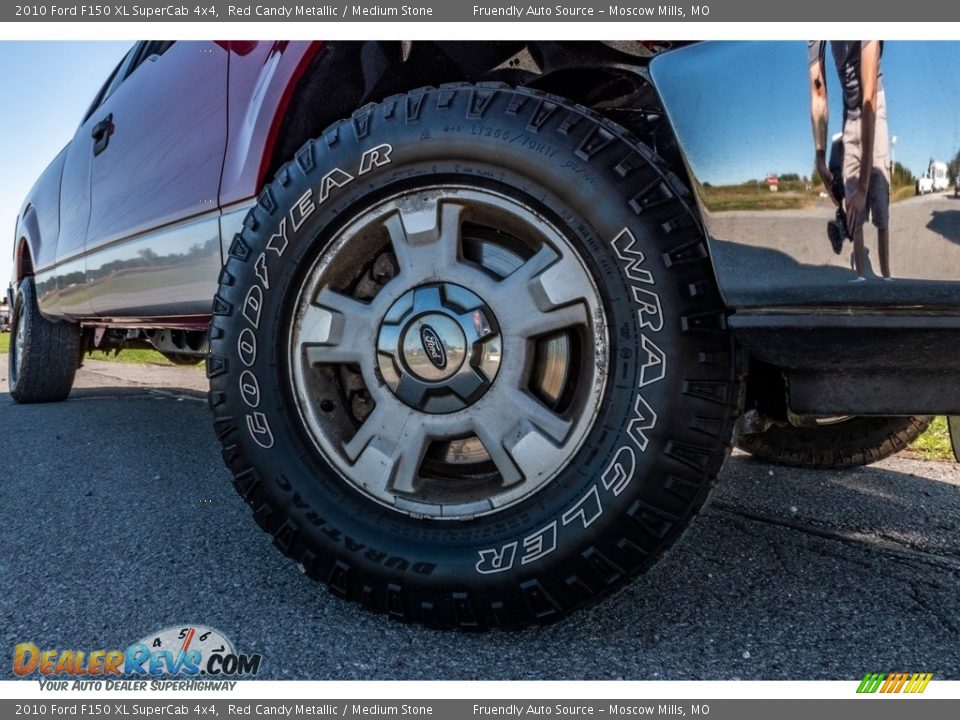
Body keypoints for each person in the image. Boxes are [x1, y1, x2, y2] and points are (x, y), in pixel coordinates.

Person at [809, 41, 892, 281]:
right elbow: (818, 93)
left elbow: (869, 97)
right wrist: (819, 156)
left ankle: (887, 278)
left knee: (879, 202)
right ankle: (861, 278)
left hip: (874, 104)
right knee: (853, 205)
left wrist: (864, 187)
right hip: (850, 112)